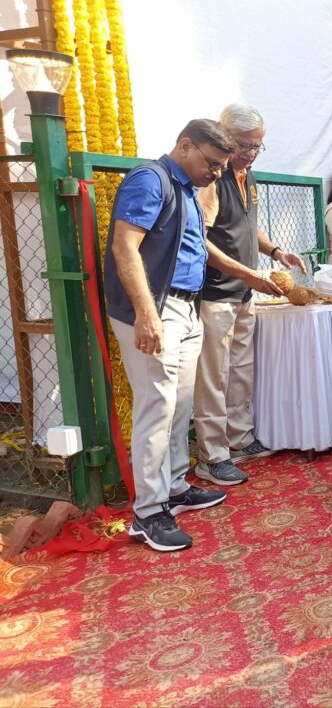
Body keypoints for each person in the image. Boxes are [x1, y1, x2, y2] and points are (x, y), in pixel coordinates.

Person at [104, 119, 235, 552]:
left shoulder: (186, 189)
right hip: (157, 308)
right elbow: (125, 246)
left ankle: (175, 486)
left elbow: (197, 247)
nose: (217, 173)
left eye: (221, 166)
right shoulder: (150, 180)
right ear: (185, 145)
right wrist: (147, 314)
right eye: (212, 163)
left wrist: (249, 274)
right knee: (157, 408)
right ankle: (148, 511)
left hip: (185, 307)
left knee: (179, 405)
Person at [193, 103, 307, 487]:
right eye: (244, 145)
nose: (252, 152)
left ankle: (239, 439)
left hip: (244, 292)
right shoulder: (213, 178)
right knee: (213, 377)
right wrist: (248, 275)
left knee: (241, 370)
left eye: (258, 145)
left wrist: (276, 251)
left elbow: (248, 225)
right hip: (215, 293)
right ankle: (212, 455)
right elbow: (202, 241)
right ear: (225, 138)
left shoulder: (248, 176)